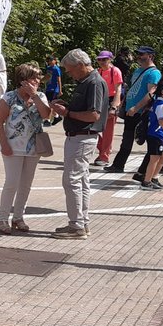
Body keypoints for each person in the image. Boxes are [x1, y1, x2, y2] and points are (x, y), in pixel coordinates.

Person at [49, 49, 107, 239]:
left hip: (83, 136)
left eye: (70, 70)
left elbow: (93, 114)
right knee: (80, 180)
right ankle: (81, 223)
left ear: (81, 65)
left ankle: (77, 226)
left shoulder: (94, 82)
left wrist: (67, 113)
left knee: (72, 180)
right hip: (80, 135)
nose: (69, 73)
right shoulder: (86, 81)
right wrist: (67, 105)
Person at [0, 62, 52, 234]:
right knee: (11, 183)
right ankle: (3, 219)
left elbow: (46, 115)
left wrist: (35, 96)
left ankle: (18, 217)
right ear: (23, 80)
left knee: (26, 184)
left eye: (38, 78)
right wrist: (4, 144)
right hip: (12, 147)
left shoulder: (40, 96)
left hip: (34, 147)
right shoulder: (9, 97)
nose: (38, 81)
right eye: (34, 78)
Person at [104, 45, 161, 174]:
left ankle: (159, 163)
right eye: (139, 54)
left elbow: (151, 93)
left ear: (150, 56)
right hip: (130, 111)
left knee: (149, 139)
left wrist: (136, 107)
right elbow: (131, 90)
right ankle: (118, 164)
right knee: (127, 139)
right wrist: (123, 104)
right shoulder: (137, 71)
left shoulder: (154, 73)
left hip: (142, 112)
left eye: (142, 54)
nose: (139, 57)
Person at [93, 51, 124, 167]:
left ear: (110, 59)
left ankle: (104, 156)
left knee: (107, 131)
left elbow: (118, 90)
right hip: (99, 101)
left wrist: (114, 106)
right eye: (99, 59)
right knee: (93, 128)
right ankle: (103, 150)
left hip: (111, 101)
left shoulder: (115, 71)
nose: (101, 62)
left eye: (104, 59)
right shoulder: (98, 71)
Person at [43, 56, 62, 125]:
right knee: (48, 103)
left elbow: (59, 80)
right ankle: (57, 116)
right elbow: (47, 77)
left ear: (54, 60)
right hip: (48, 88)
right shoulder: (48, 68)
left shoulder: (56, 69)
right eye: (48, 61)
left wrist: (60, 90)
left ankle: (47, 120)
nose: (49, 62)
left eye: (50, 60)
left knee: (50, 104)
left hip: (54, 89)